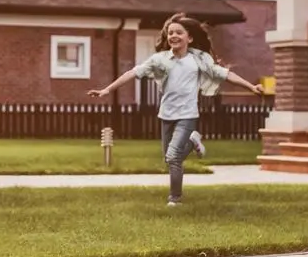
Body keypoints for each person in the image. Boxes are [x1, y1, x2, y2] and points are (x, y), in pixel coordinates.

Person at [87, 14, 262, 206]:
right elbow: (132, 72)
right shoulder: (160, 59)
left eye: (179, 32)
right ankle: (193, 140)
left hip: (187, 115)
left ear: (190, 38)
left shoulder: (198, 59)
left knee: (173, 157)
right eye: (170, 33)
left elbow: (226, 74)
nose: (174, 36)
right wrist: (107, 89)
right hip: (166, 114)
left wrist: (251, 87)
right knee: (169, 159)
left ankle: (175, 199)